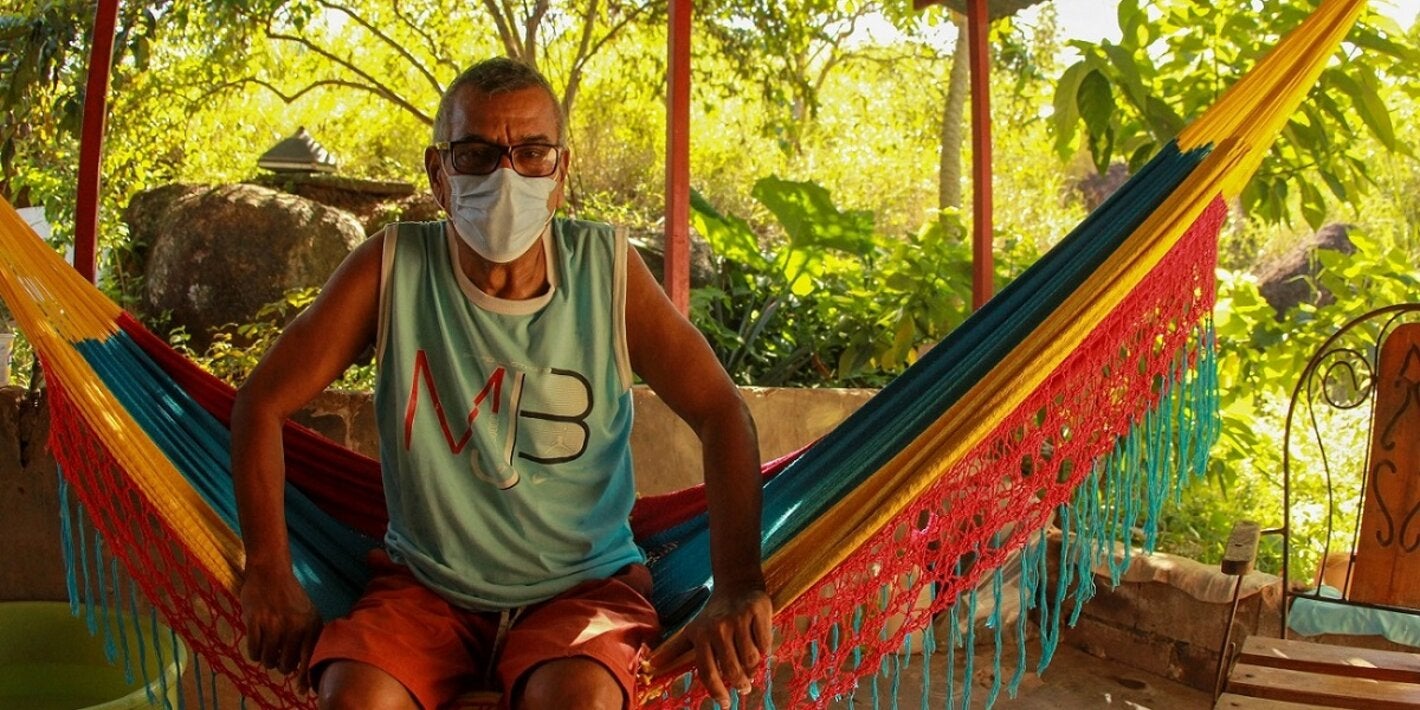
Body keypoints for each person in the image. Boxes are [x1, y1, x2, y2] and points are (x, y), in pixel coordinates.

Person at [232, 57, 772, 710]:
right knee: (355, 700)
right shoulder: (393, 269)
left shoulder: (606, 271)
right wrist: (268, 571)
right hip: (423, 589)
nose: (506, 175)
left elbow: (721, 410)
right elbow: (261, 403)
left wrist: (738, 584)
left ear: (561, 173)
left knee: (580, 701)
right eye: (476, 155)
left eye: (533, 153)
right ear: (438, 173)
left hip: (583, 592)